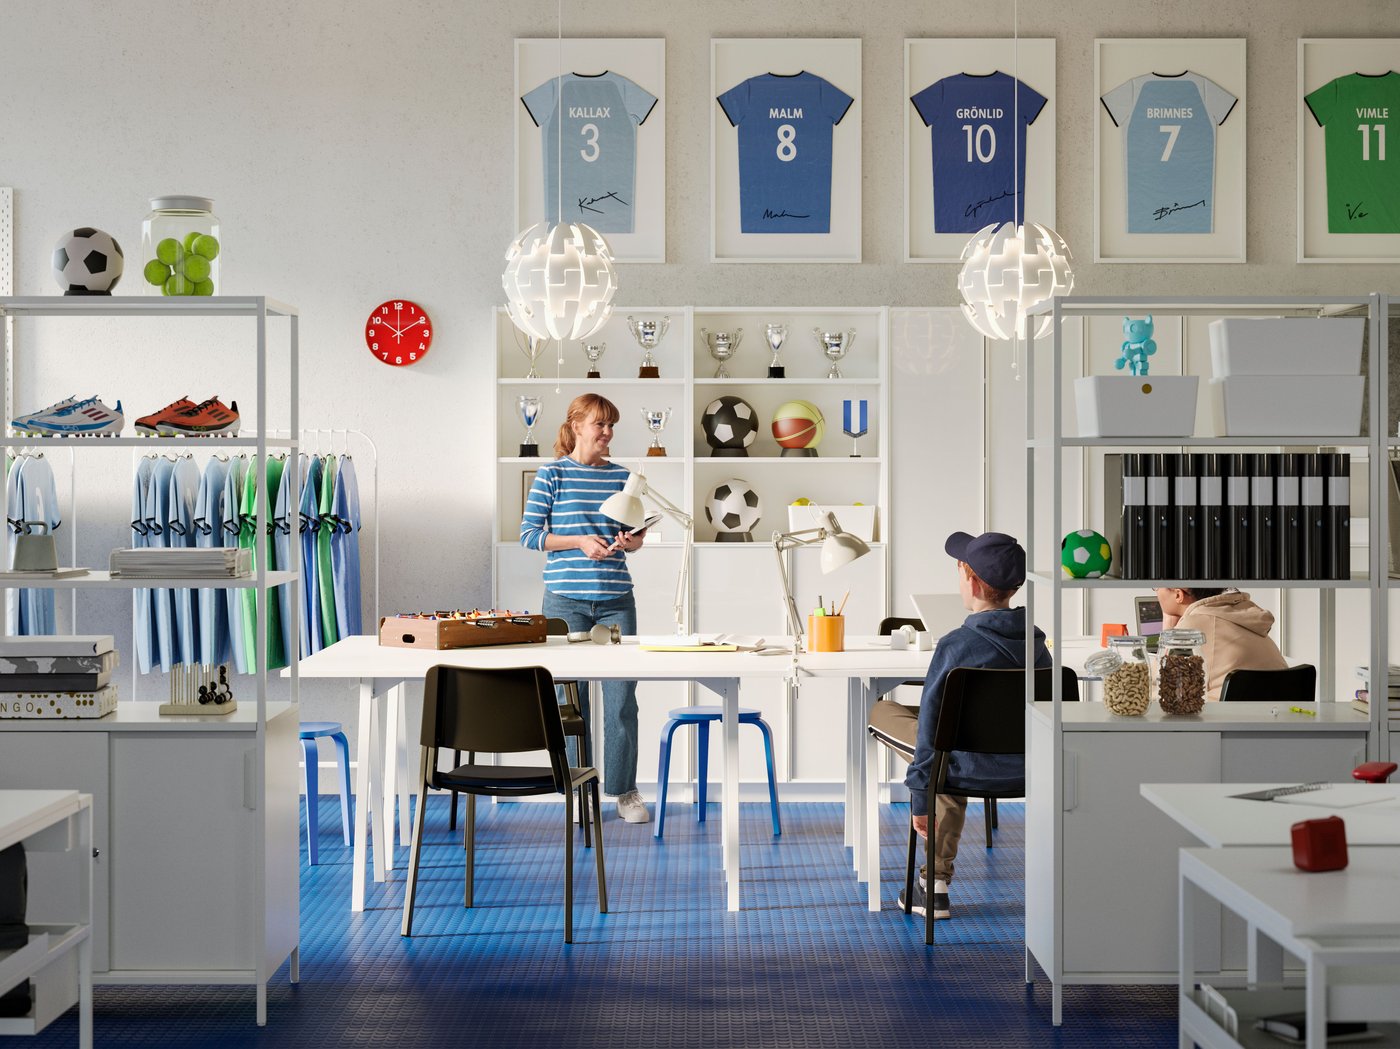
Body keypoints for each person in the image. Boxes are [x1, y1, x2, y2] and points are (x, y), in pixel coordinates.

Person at [867, 531, 1049, 920]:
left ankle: (933, 886)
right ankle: (933, 885)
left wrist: (920, 794)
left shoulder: (957, 644)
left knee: (886, 714)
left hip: (962, 764)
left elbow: (932, 733)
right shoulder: (1038, 644)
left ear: (972, 582)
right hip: (1027, 765)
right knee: (948, 740)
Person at [520, 393, 651, 823]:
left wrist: (632, 540)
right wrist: (578, 541)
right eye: (600, 424)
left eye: (612, 425)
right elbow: (529, 535)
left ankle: (624, 790)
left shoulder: (621, 477)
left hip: (615, 600)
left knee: (621, 701)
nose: (608, 433)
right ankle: (580, 788)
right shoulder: (552, 474)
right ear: (577, 426)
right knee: (569, 703)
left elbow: (632, 534)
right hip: (564, 601)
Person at [1154, 586, 1287, 701]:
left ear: (1178, 595)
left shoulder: (1193, 626)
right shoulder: (1237, 615)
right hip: (1277, 719)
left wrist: (1169, 629)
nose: (1156, 592)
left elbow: (1160, 687)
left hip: (1225, 723)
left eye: (1156, 587)